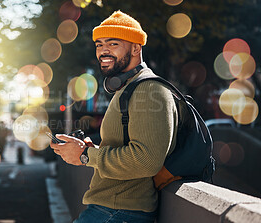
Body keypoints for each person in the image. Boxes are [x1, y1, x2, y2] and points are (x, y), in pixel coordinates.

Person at [50, 11, 179, 223]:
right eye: (99, 44)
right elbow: (128, 148)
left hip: (119, 213)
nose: (103, 50)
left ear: (136, 48)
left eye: (113, 44)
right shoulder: (128, 89)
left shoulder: (149, 90)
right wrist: (89, 150)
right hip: (111, 210)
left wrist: (85, 156)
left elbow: (146, 161)